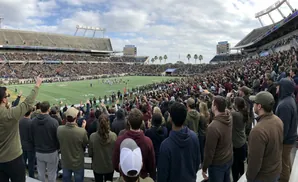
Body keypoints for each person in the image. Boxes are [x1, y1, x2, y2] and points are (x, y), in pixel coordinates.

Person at [0, 75, 42, 182]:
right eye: (6, 96)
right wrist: (37, 85)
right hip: (13, 158)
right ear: (3, 100)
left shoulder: (8, 112)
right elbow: (27, 104)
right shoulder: (9, 114)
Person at [157, 102, 200, 182]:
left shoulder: (166, 146)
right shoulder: (194, 137)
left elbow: (162, 175)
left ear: (171, 118)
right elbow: (197, 163)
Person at [246, 91, 283, 182]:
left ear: (259, 106)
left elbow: (255, 161)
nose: (253, 105)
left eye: (255, 103)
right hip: (275, 171)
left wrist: (249, 178)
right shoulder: (278, 120)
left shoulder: (257, 131)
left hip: (263, 177)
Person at [113, 108, 156, 180]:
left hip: (127, 177)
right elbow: (152, 166)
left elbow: (115, 164)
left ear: (128, 122)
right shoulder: (148, 142)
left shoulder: (120, 140)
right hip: (139, 176)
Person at [202, 96, 233, 182]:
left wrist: (204, 168)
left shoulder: (213, 127)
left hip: (218, 164)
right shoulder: (229, 116)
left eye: (212, 104)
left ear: (215, 106)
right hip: (228, 157)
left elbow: (209, 151)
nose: (211, 106)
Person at [57, 107, 88, 182]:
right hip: (77, 162)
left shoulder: (59, 129)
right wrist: (83, 128)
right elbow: (85, 143)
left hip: (66, 161)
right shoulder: (81, 131)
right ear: (76, 118)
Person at [275, 78, 298, 182]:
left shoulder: (285, 105)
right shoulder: (289, 99)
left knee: (283, 161)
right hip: (291, 137)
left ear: (284, 88)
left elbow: (284, 126)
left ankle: (284, 179)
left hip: (286, 139)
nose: (277, 87)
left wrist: (279, 140)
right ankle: (287, 174)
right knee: (285, 159)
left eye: (279, 86)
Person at [31, 101, 60, 182]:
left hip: (39, 151)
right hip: (51, 151)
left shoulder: (33, 121)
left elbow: (31, 136)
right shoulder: (54, 122)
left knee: (41, 173)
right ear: (49, 109)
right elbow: (57, 138)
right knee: (52, 173)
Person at [89, 114, 117, 182]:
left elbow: (90, 153)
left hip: (98, 166)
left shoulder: (93, 137)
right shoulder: (113, 136)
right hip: (108, 166)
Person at [231, 97, 247, 182]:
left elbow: (226, 111)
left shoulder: (235, 114)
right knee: (241, 164)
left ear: (236, 105)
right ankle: (242, 178)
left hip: (236, 144)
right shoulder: (243, 112)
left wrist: (227, 98)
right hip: (242, 142)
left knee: (234, 166)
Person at [19, 109, 35, 178]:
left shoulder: (20, 121)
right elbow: (32, 136)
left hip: (22, 144)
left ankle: (22, 175)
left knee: (23, 162)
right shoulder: (31, 122)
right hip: (30, 146)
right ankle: (31, 176)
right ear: (30, 113)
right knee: (31, 163)